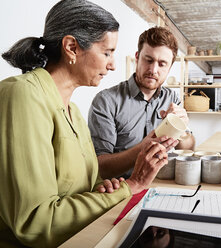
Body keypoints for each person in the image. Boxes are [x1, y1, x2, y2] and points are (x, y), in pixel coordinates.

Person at [0, 0, 167, 247]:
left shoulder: (74, 111)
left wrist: (104, 187)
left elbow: (86, 183)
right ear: (71, 47)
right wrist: (130, 186)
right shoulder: (22, 96)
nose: (112, 65)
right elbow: (36, 222)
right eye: (107, 52)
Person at [88, 27, 195, 179]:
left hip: (161, 185)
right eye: (148, 60)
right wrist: (142, 148)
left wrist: (182, 131)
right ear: (137, 57)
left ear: (170, 67)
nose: (153, 70)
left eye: (162, 64)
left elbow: (189, 148)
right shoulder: (106, 101)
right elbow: (100, 168)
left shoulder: (172, 99)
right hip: (122, 190)